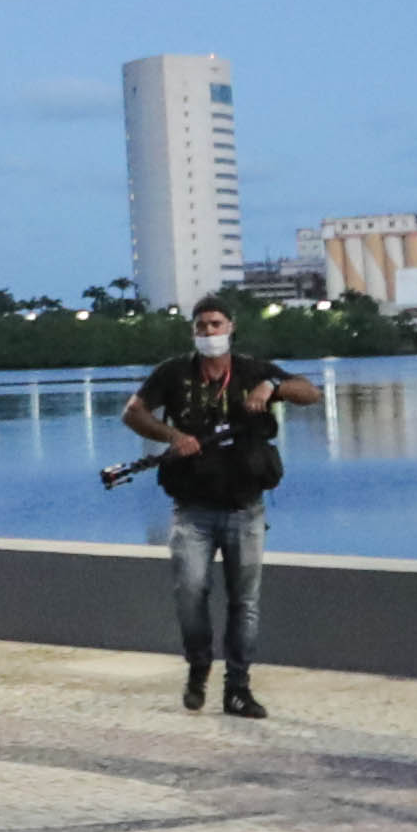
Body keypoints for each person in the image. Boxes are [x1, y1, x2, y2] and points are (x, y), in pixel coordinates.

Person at [130, 298, 322, 717]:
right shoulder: (174, 372)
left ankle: (238, 687)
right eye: (201, 326)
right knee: (190, 593)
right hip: (192, 510)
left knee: (244, 602)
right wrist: (171, 435)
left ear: (231, 327)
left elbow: (311, 393)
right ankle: (199, 665)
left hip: (245, 509)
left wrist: (271, 387)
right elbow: (134, 412)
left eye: (216, 324)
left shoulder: (254, 369)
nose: (209, 333)